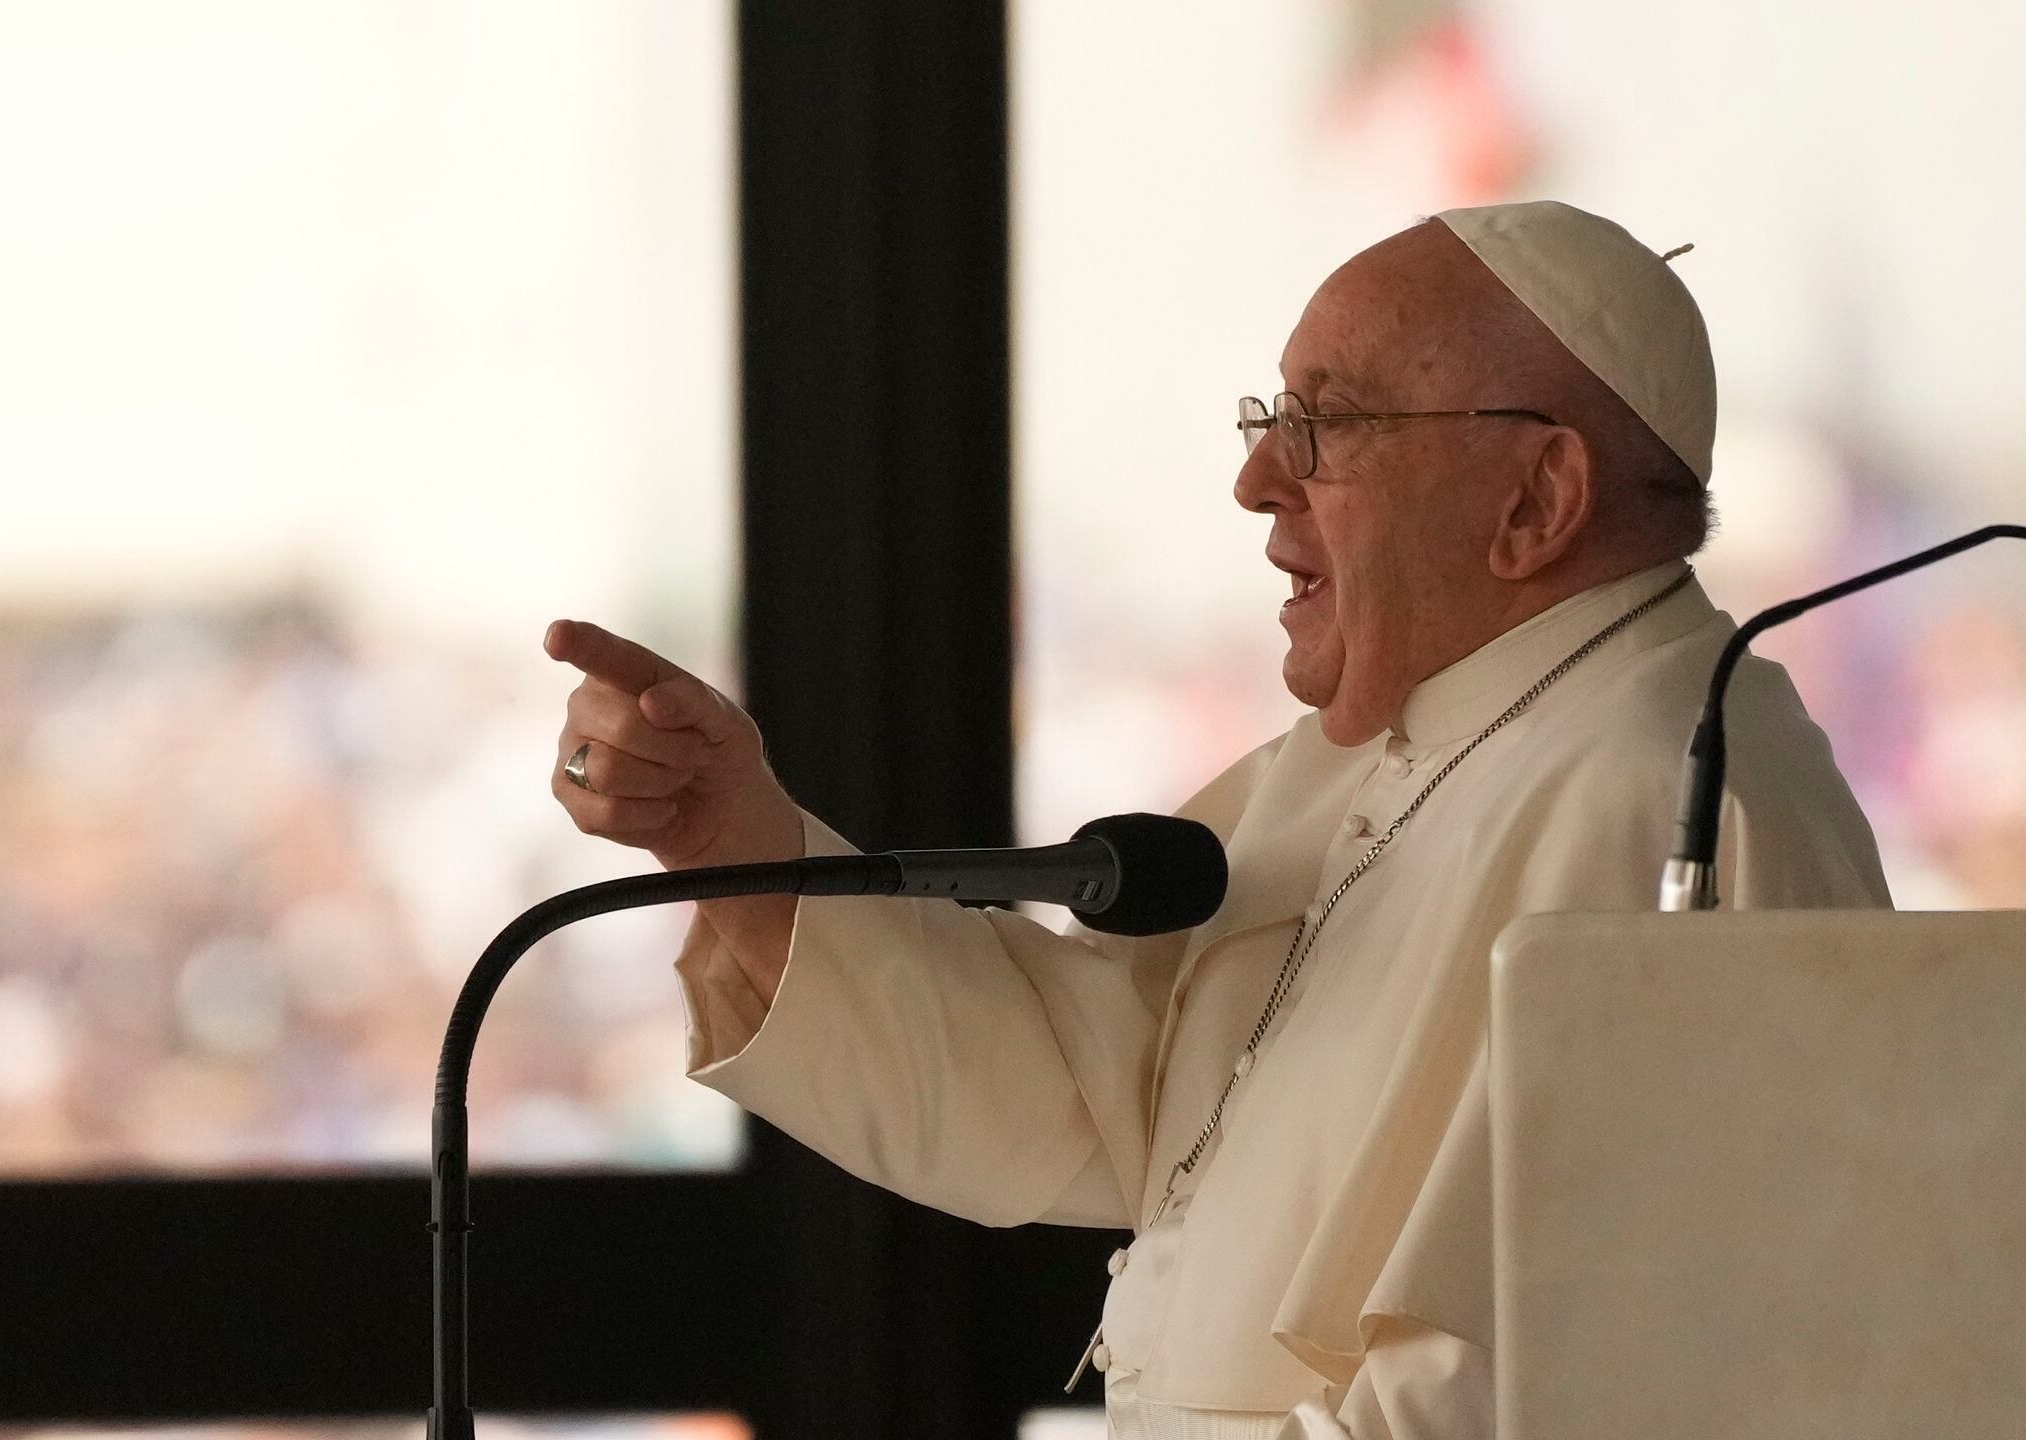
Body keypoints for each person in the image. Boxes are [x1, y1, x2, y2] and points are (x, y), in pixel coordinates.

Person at [543, 201, 1890, 1438]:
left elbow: (1539, 1379)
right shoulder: (1355, 761)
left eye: (1330, 424)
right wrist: (739, 847)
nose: (1259, 484)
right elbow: (1083, 1091)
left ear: (1536, 499)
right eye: (1272, 419)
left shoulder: (1676, 792)